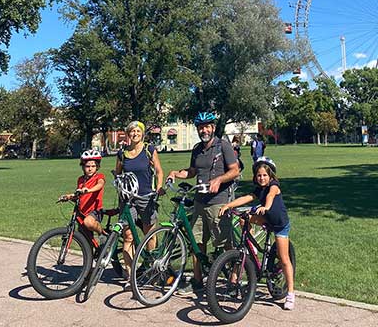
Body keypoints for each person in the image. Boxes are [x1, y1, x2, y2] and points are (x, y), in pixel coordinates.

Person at [167, 112, 240, 292]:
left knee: (225, 243)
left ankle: (234, 278)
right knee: (196, 242)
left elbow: (235, 171)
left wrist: (218, 180)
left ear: (213, 128)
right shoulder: (197, 149)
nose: (204, 130)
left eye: (207, 126)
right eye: (201, 127)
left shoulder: (223, 146)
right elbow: (192, 171)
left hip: (218, 201)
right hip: (199, 201)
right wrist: (176, 173)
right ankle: (198, 281)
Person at [219, 157, 295, 310]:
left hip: (280, 225)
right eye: (259, 175)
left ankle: (291, 294)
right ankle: (251, 248)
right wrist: (228, 205)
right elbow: (246, 198)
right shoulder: (258, 189)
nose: (262, 178)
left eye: (265, 175)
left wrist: (266, 207)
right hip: (266, 219)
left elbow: (270, 196)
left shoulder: (274, 186)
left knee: (284, 258)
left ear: (271, 176)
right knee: (244, 218)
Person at [115, 120, 164, 283]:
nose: (134, 134)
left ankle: (150, 267)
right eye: (131, 131)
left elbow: (158, 171)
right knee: (128, 236)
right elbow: (118, 173)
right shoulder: (122, 153)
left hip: (146, 197)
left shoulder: (149, 150)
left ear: (142, 133)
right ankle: (130, 274)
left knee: (149, 234)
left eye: (137, 131)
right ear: (128, 134)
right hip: (128, 200)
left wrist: (158, 187)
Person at [61, 150, 106, 236]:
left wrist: (88, 190)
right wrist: (68, 197)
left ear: (97, 167)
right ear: (83, 167)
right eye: (87, 166)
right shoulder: (80, 180)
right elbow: (78, 195)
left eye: (93, 166)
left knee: (88, 222)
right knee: (84, 239)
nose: (90, 169)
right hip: (82, 212)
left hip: (95, 211)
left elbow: (100, 185)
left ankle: (102, 233)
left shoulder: (99, 177)